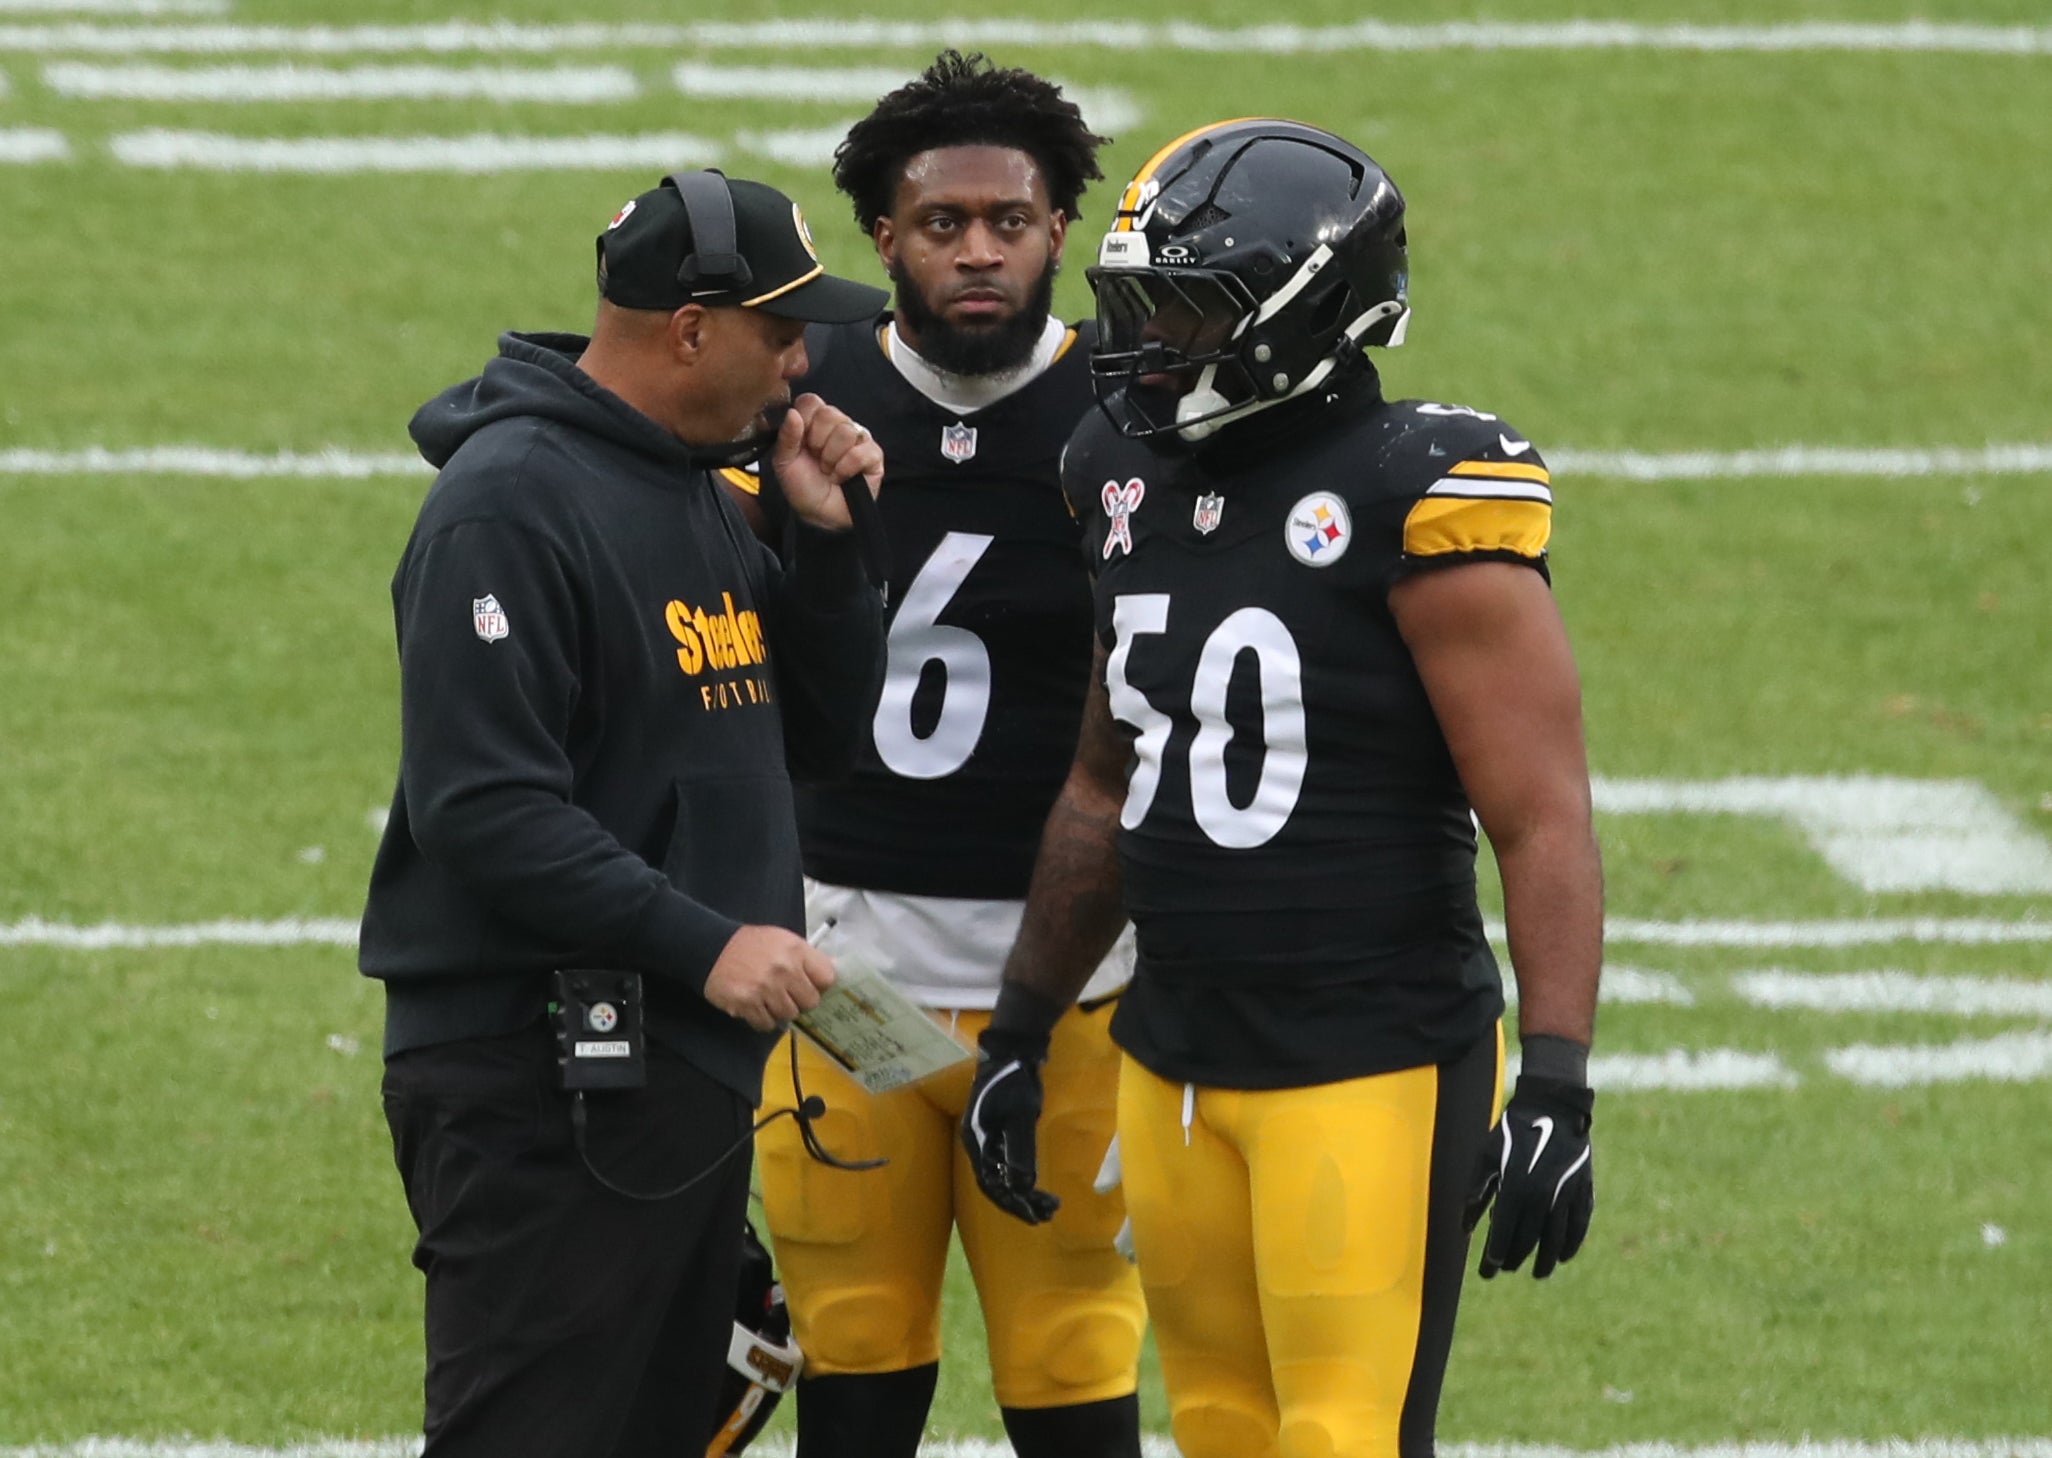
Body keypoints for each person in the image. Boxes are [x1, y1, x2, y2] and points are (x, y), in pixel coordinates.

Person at [957, 119, 1605, 1458]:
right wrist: (1020, 1022)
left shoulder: (1417, 491)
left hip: (1364, 1049)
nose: (1146, 340)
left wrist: (1555, 1082)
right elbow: (1104, 777)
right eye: (1137, 303)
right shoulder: (1115, 475)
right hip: (1173, 1050)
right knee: (1221, 1431)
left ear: (1303, 314)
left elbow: (1538, 813)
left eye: (1185, 308)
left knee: (1337, 1436)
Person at [360, 169, 891, 1458]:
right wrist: (705, 942)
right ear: (691, 327)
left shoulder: (695, 489)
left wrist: (827, 548)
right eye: (780, 331)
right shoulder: (510, 502)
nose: (802, 363)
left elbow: (820, 741)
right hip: (543, 1079)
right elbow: (481, 808)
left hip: (664, 1075)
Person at [716, 52, 1146, 1458]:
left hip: (1078, 975)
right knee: (854, 1363)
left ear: (1060, 232)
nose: (978, 251)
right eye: (942, 222)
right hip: (849, 967)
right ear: (883, 236)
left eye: (1008, 223)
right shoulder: (799, 391)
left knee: (1076, 1365)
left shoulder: (1136, 411)